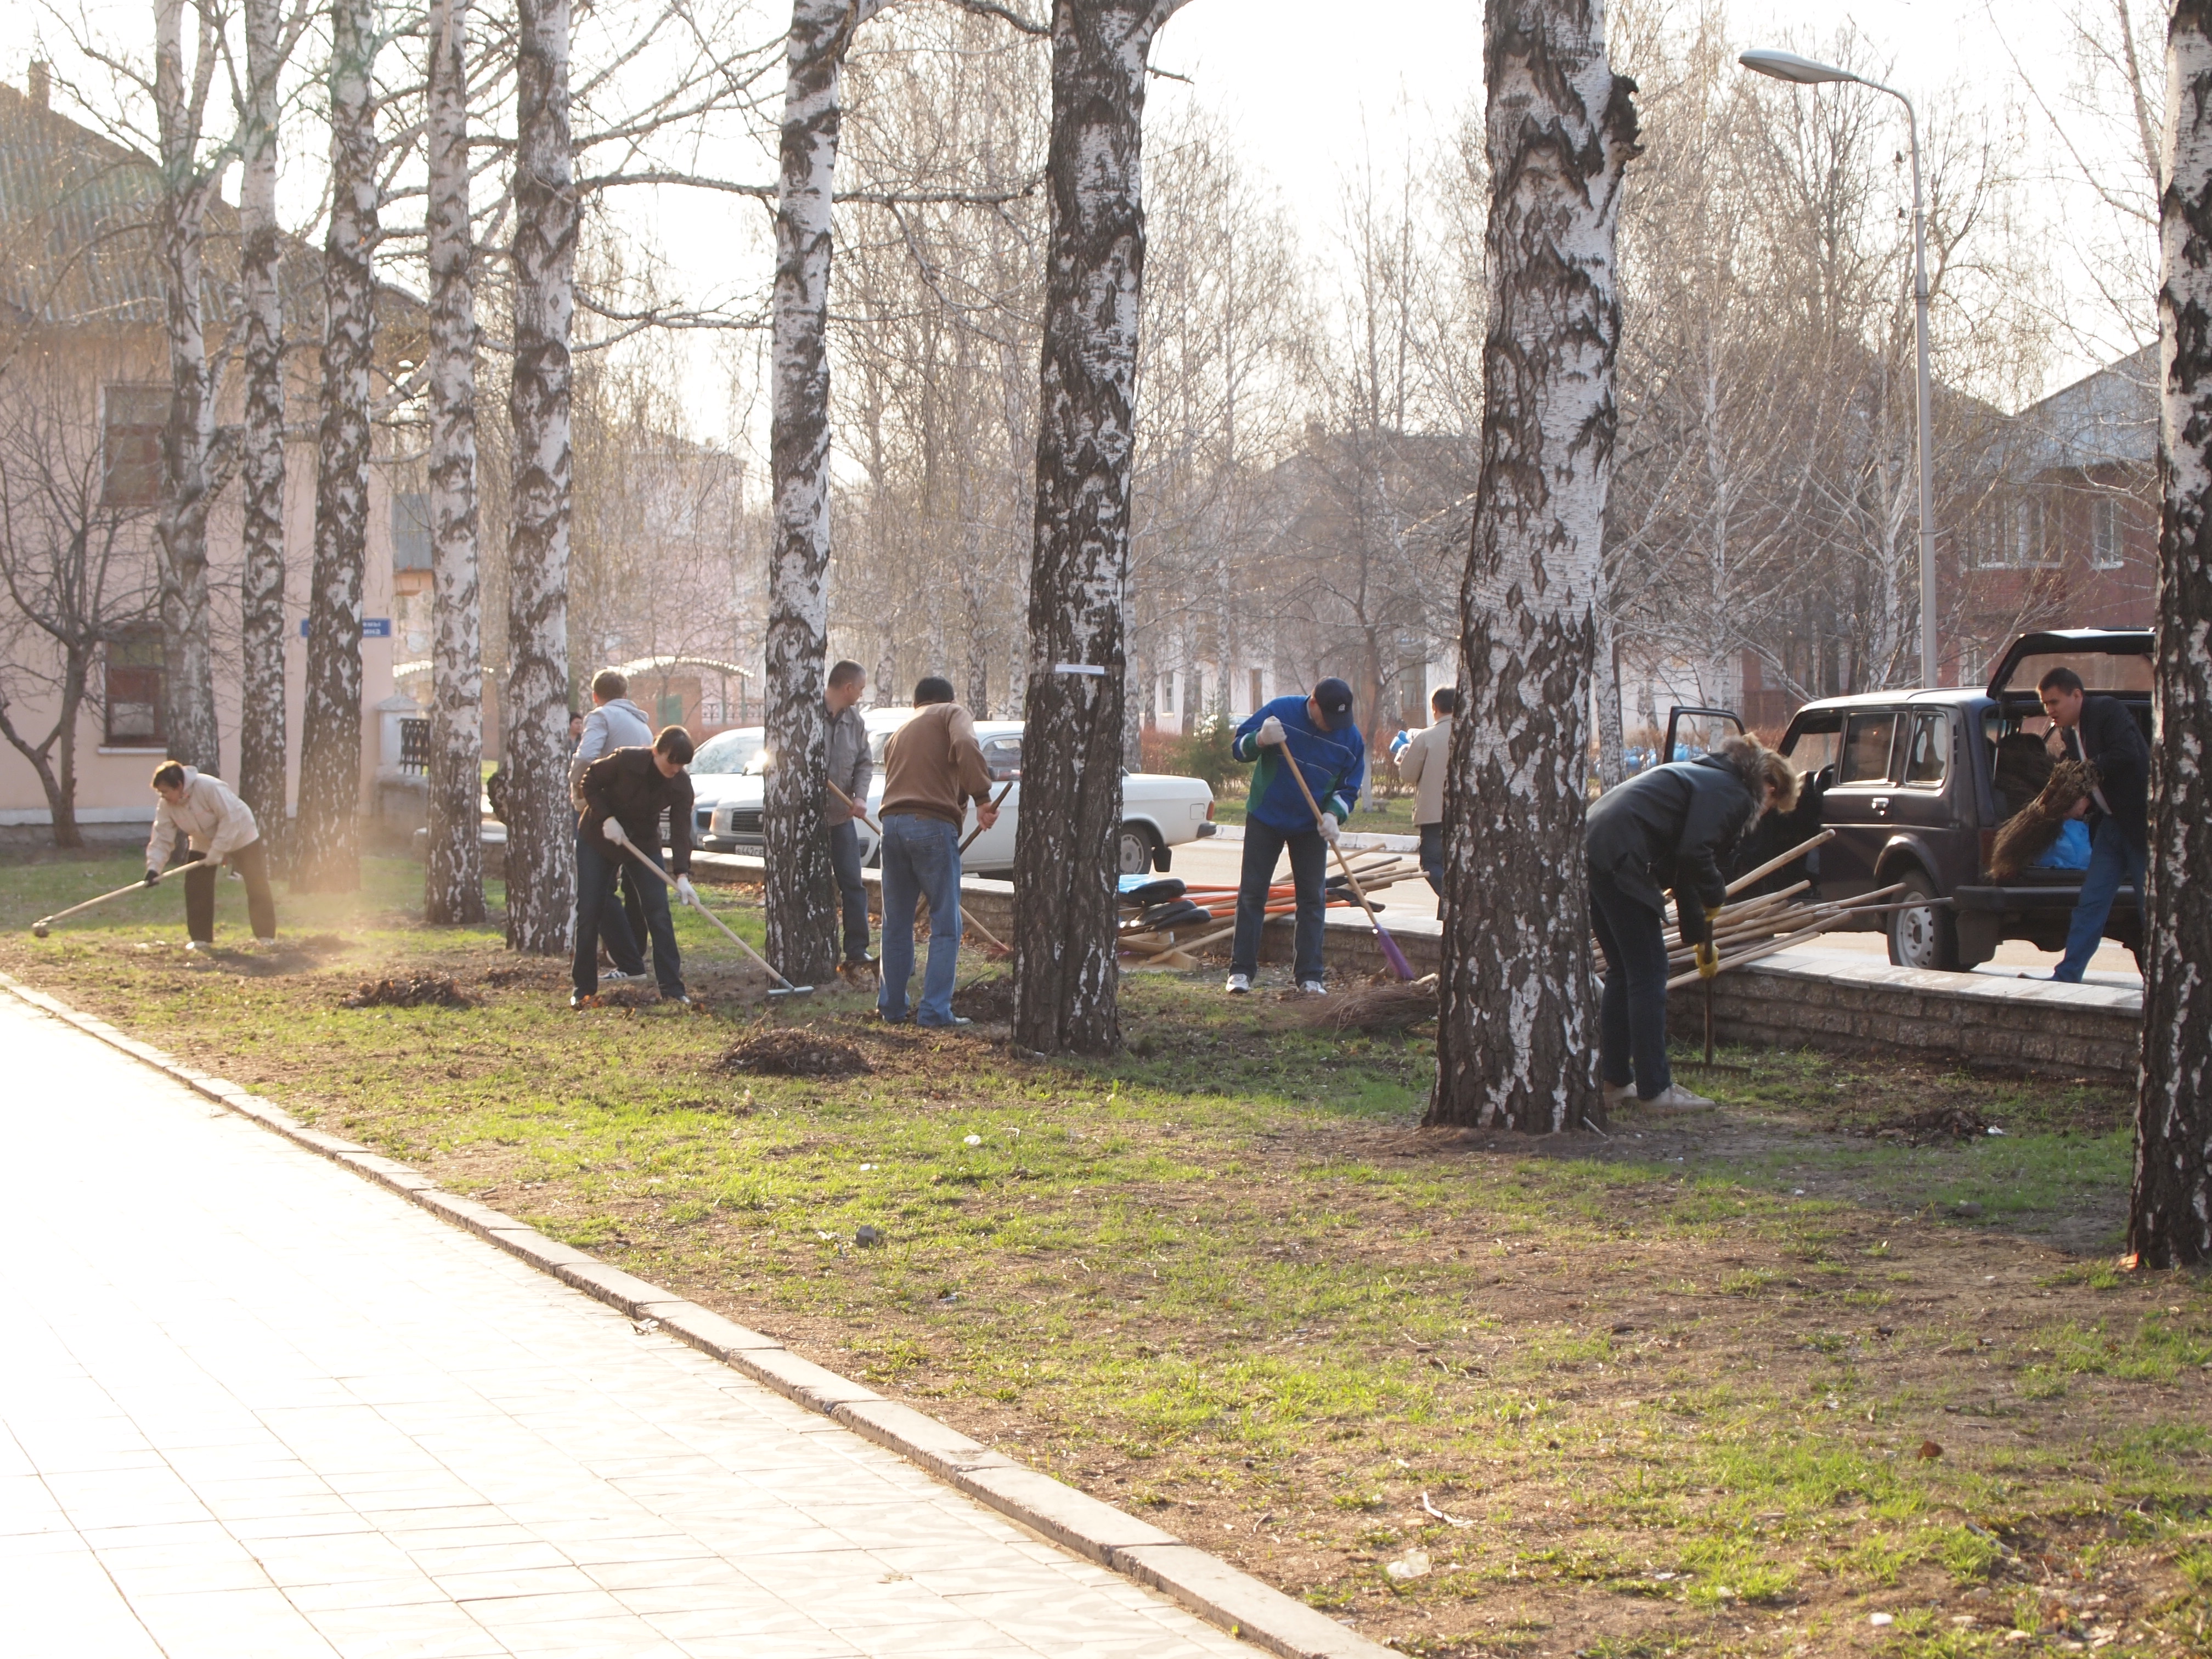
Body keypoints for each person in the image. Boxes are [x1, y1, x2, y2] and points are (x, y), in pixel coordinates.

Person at [1585, 734, 1796, 1110]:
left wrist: (1699, 937)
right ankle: (1656, 1090)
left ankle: (1615, 1081)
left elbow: (1684, 868)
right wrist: (1716, 895)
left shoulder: (1706, 776)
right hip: (1624, 854)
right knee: (1649, 974)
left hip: (1596, 845)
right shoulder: (1735, 793)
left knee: (1623, 971)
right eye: (1771, 807)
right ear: (1769, 787)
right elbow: (1695, 852)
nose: (1763, 816)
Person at [1224, 677, 1365, 997]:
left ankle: (1310, 977)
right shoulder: (1281, 711)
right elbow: (1238, 748)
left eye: (1339, 720)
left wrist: (1333, 814)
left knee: (1312, 899)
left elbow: (1349, 787)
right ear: (1313, 703)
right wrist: (1260, 739)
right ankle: (1241, 972)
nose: (1333, 727)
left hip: (1311, 826)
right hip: (1266, 815)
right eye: (1328, 719)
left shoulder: (1350, 739)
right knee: (1252, 894)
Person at [876, 676, 997, 1026]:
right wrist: (983, 798)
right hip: (930, 823)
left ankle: (892, 1009)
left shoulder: (901, 731)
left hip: (892, 826)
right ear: (947, 699)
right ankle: (934, 1012)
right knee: (946, 923)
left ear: (917, 703)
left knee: (896, 923)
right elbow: (964, 744)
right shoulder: (951, 713)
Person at [2038, 665, 2150, 982]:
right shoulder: (2069, 733)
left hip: (2138, 826)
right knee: (2091, 903)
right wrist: (2081, 801)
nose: (2050, 711)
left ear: (2077, 695)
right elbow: (2096, 780)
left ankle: (2167, 983)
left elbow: (2127, 755)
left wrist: (2083, 781)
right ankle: (2067, 976)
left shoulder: (2107, 710)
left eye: (2055, 702)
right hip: (2109, 829)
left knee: (2151, 909)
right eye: (2046, 705)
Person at [574, 725, 697, 1009]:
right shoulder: (626, 760)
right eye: (672, 761)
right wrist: (606, 818)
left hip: (641, 843)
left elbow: (681, 829)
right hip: (598, 837)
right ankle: (583, 988)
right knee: (590, 910)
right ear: (656, 751)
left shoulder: (680, 783)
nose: (676, 768)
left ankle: (673, 988)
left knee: (658, 911)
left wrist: (682, 874)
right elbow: (589, 781)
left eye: (682, 765)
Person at [571, 669, 655, 981]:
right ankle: (634, 959)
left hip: (605, 814)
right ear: (625, 693)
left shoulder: (600, 716)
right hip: (637, 816)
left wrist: (577, 792)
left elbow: (586, 757)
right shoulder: (642, 724)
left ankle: (630, 962)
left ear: (595, 695)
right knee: (635, 891)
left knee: (599, 892)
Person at [145, 761, 277, 953]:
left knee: (256, 883)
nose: (163, 797)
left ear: (179, 786)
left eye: (165, 791)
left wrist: (219, 850)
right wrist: (154, 868)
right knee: (196, 886)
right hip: (204, 841)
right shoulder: (167, 805)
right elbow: (162, 837)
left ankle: (266, 935)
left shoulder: (209, 787)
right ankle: (201, 939)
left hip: (241, 833)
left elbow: (230, 818)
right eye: (160, 793)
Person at [823, 659, 876, 980]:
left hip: (841, 817)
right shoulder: (807, 716)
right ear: (848, 688)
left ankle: (856, 949)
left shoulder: (855, 721)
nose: (861, 693)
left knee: (853, 884)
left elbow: (864, 763)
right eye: (861, 688)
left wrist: (859, 796)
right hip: (808, 821)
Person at [1393, 686, 1456, 896]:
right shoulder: (1471, 735)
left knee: (1432, 863)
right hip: (1467, 815)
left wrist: (1403, 757)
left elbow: (1408, 775)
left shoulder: (1426, 737)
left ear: (1435, 708)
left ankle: (1451, 900)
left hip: (1434, 814)